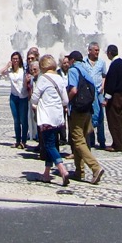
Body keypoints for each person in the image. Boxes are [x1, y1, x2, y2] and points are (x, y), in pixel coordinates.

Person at [30, 54, 70, 186]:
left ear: (42, 66)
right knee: (51, 144)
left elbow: (34, 98)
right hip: (58, 118)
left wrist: (36, 104)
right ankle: (46, 174)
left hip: (46, 117)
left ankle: (62, 170)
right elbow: (65, 100)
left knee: (49, 145)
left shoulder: (42, 79)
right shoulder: (59, 79)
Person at [66, 49, 104, 184]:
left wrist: (65, 102)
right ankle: (79, 171)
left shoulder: (73, 70)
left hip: (77, 109)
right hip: (88, 109)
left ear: (72, 60)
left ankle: (95, 167)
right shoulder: (86, 69)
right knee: (80, 138)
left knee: (77, 140)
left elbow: (74, 90)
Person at [0, 51, 30, 148]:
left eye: (17, 59)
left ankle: (24, 141)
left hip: (23, 96)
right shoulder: (10, 71)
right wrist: (6, 66)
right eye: (13, 59)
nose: (15, 60)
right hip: (14, 97)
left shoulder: (23, 70)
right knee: (16, 120)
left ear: (20, 60)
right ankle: (18, 141)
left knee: (23, 120)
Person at [102, 43, 122, 152]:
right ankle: (118, 143)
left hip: (115, 97)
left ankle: (117, 145)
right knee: (119, 120)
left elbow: (111, 83)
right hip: (121, 96)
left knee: (113, 121)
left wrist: (106, 99)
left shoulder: (115, 65)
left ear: (109, 53)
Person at [87, 41, 108, 148]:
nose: (97, 52)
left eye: (98, 50)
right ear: (89, 51)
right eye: (95, 50)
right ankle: (90, 140)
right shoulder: (84, 62)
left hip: (99, 92)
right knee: (89, 116)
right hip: (88, 93)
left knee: (100, 116)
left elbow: (104, 75)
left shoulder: (101, 62)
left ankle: (102, 140)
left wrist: (102, 87)